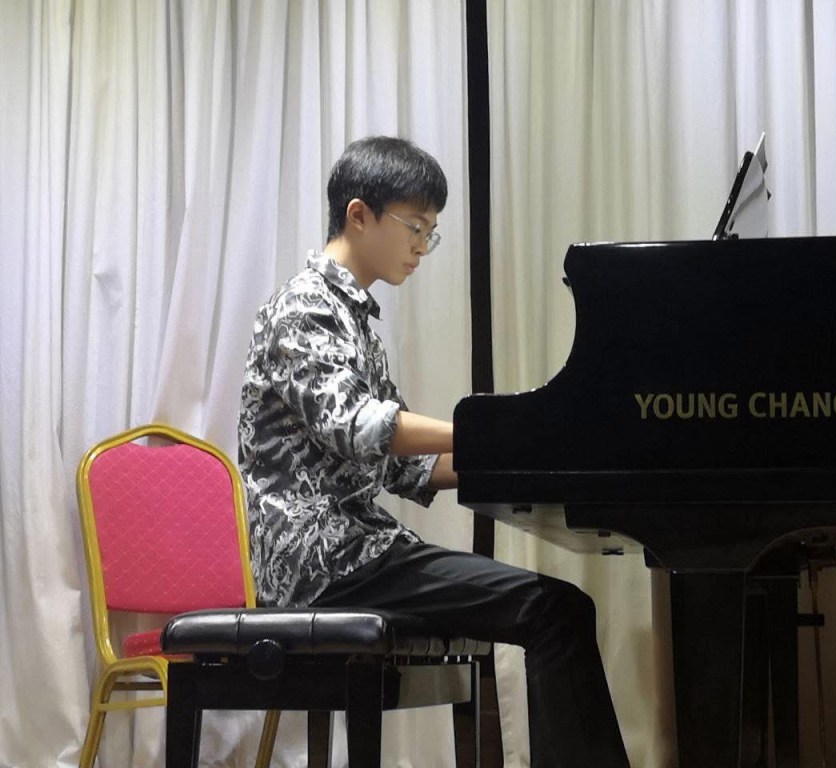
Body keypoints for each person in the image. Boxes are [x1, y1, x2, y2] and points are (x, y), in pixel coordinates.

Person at [238, 135, 629, 767]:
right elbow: (361, 424)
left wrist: (529, 451)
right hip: (321, 562)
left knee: (559, 607)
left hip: (357, 551)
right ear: (359, 215)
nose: (423, 245)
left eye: (431, 232)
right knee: (554, 609)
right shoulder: (304, 307)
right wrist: (499, 427)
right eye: (415, 226)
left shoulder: (353, 319)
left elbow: (405, 466)